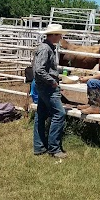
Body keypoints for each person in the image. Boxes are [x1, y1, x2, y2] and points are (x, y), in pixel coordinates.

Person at [32, 24, 66, 158]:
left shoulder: (45, 48)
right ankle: (54, 148)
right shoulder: (46, 49)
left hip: (43, 86)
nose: (60, 37)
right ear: (52, 35)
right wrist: (52, 81)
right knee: (59, 114)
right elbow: (39, 70)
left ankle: (39, 146)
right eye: (58, 34)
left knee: (41, 114)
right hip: (48, 86)